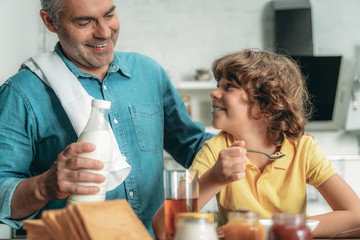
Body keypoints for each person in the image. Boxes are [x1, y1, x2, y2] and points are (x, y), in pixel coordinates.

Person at [0, 0, 213, 237]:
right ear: (50, 22)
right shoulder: (22, 93)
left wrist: (249, 133)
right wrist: (45, 186)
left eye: (109, 15)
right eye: (84, 21)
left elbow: (193, 146)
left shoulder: (149, 73)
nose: (103, 32)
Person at [152, 49, 360, 239]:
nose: (214, 93)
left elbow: (355, 216)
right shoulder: (216, 151)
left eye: (229, 86)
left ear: (266, 104)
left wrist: (271, 227)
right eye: (218, 85)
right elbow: (162, 229)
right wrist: (214, 178)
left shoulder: (303, 149)